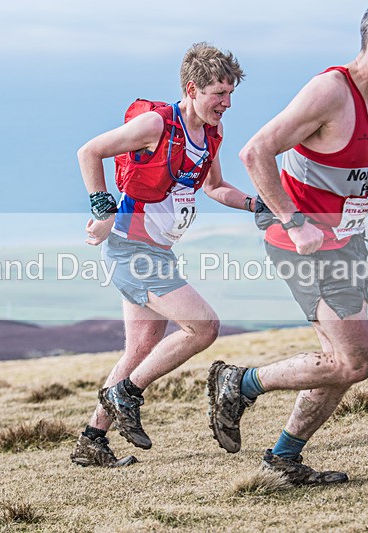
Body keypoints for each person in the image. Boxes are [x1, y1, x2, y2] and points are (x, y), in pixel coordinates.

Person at [207, 0, 368, 485]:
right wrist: (293, 220)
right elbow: (254, 151)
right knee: (356, 360)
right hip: (300, 243)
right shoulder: (330, 92)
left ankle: (282, 459)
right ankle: (240, 382)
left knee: (341, 364)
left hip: (346, 244)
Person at [71, 42, 252, 467]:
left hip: (159, 252)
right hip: (132, 250)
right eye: (219, 94)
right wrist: (102, 206)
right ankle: (125, 394)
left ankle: (92, 440)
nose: (227, 103)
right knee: (204, 327)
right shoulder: (156, 124)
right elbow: (89, 151)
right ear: (192, 88)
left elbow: (214, 187)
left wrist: (258, 206)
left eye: (230, 94)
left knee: (140, 350)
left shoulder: (210, 134)